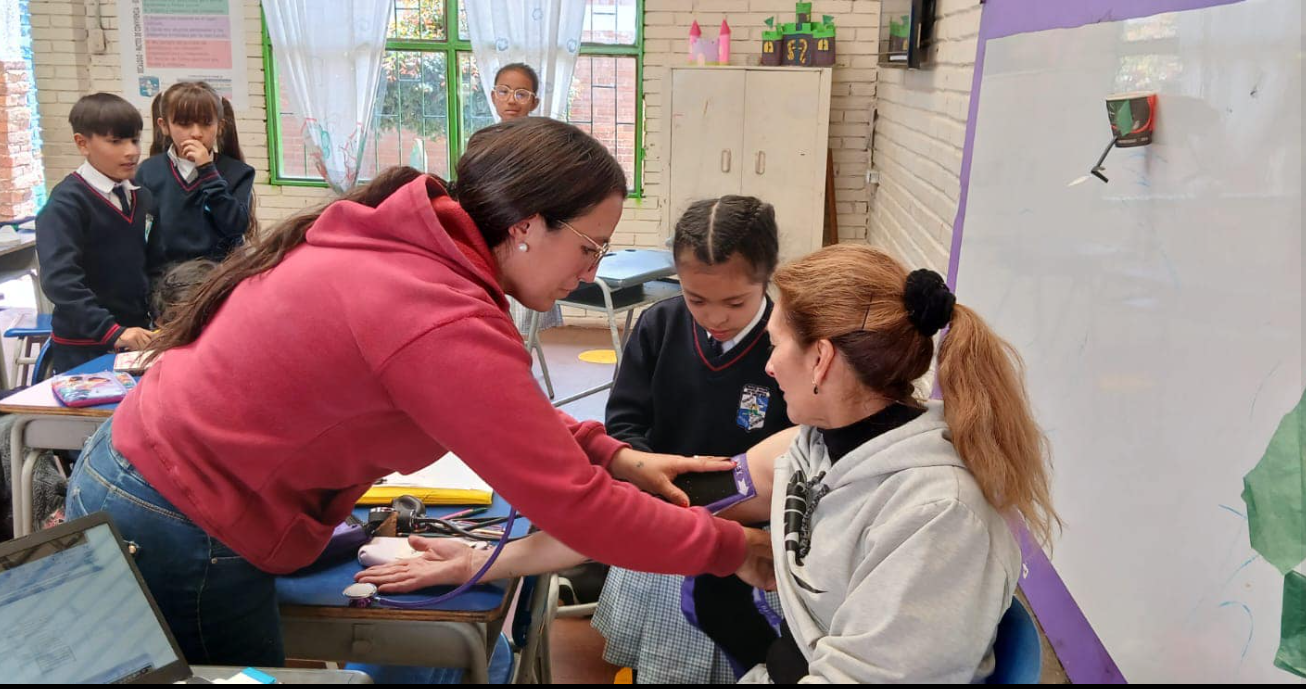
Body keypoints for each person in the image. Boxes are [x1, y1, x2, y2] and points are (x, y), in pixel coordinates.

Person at [65, 117, 771, 668]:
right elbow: (575, 509)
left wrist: (613, 455)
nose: (592, 268)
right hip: (183, 514)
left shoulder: (417, 247)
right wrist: (731, 546)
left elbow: (506, 412)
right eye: (592, 245)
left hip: (146, 469)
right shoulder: (437, 309)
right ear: (526, 227)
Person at [360, 244, 1061, 683]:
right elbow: (643, 512)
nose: (767, 357)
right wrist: (485, 559)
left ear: (820, 360)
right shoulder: (807, 447)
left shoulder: (938, 516)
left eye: (778, 340)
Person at [593, 196, 795, 683]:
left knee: (745, 660)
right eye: (695, 299)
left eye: (735, 302)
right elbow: (623, 421)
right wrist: (647, 466)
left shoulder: (789, 343)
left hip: (753, 542)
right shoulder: (659, 326)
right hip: (668, 523)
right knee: (663, 665)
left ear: (766, 278)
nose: (715, 317)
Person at [37, 93, 156, 373]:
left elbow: (149, 265)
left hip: (135, 339)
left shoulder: (143, 198)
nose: (131, 151)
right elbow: (61, 281)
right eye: (116, 142)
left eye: (135, 140)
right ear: (82, 143)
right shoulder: (66, 203)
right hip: (84, 346)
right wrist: (111, 330)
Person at [137, 81, 254, 269]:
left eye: (206, 123)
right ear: (164, 126)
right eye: (184, 124)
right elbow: (140, 233)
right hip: (164, 281)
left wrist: (207, 170)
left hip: (218, 278)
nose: (196, 133)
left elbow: (235, 226)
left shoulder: (238, 172)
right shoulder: (147, 171)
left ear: (220, 126)